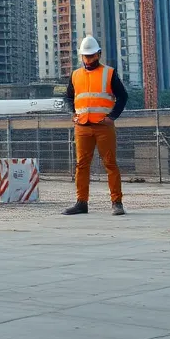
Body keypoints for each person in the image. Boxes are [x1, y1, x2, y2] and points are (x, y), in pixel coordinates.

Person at [63, 36, 129, 216]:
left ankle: (117, 202)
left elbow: (123, 96)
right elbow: (68, 97)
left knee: (110, 163)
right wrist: (72, 113)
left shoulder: (109, 73)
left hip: (103, 125)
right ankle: (81, 202)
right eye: (86, 56)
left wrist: (112, 116)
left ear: (99, 54)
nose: (88, 59)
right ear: (81, 56)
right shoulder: (75, 75)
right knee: (81, 165)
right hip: (82, 126)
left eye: (91, 56)